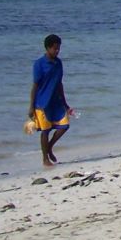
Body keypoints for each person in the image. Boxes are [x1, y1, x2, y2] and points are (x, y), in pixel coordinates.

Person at [28, 33, 75, 168]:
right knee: (45, 131)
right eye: (55, 48)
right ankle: (45, 158)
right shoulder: (39, 64)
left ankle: (49, 147)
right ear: (47, 48)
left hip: (56, 101)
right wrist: (31, 107)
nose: (57, 51)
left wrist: (65, 104)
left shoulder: (58, 63)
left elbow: (59, 83)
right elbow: (35, 86)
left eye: (58, 48)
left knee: (64, 126)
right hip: (42, 103)